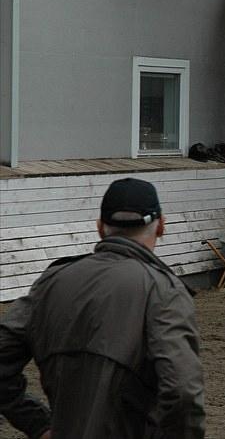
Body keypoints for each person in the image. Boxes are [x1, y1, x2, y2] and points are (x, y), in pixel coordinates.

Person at [0, 177, 205, 439]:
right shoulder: (163, 291)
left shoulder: (51, 283)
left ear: (100, 227)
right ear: (162, 226)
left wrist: (38, 423)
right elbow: (183, 390)